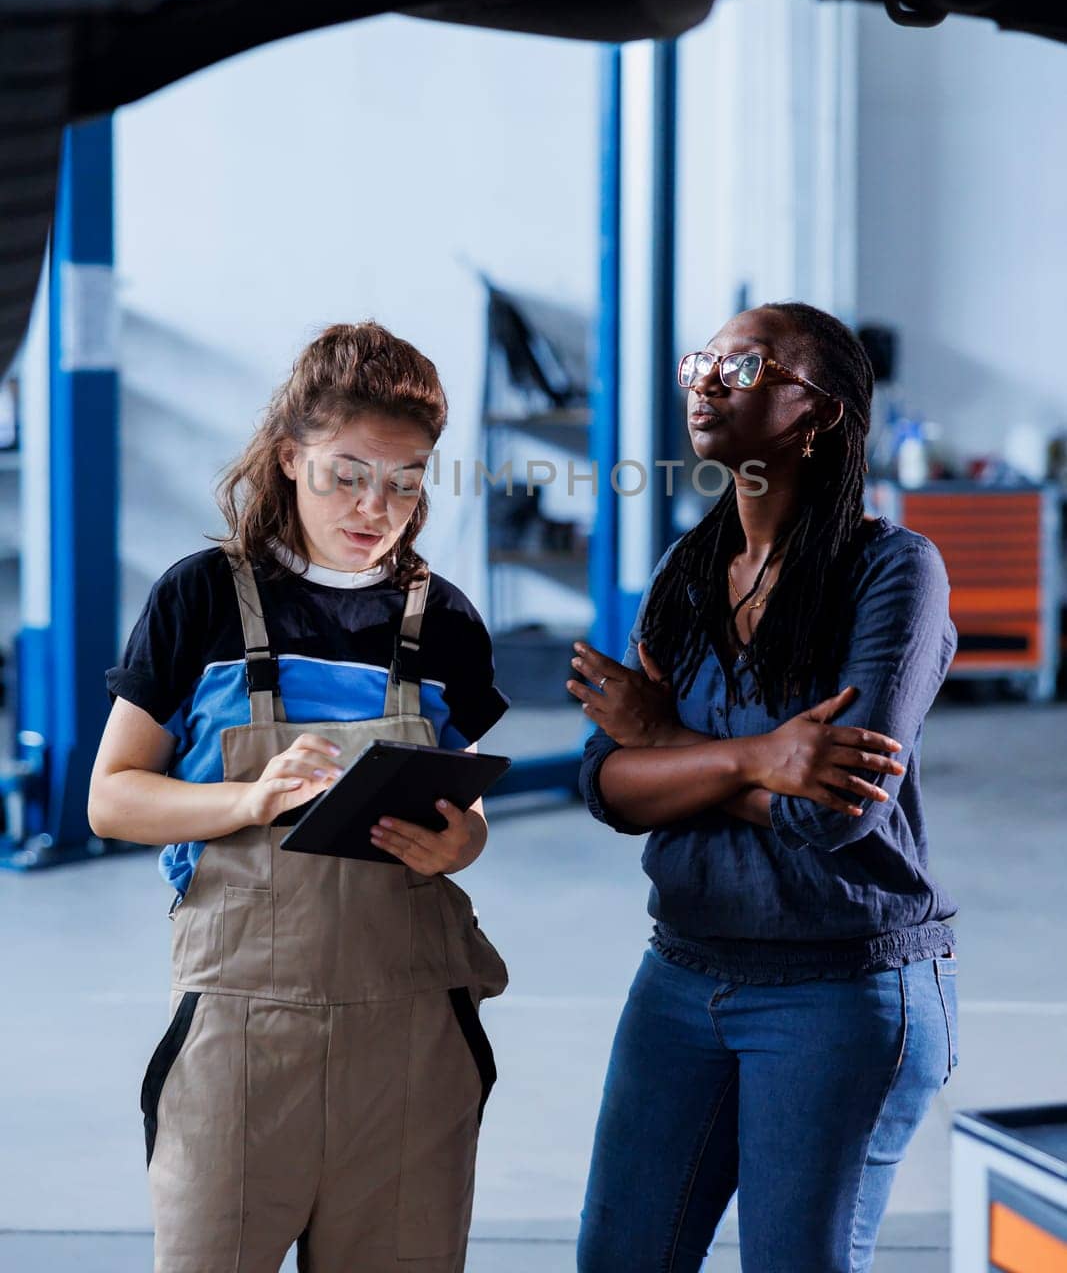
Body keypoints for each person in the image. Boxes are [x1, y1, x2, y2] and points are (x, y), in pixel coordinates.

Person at [88, 321, 509, 1273]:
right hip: (239, 1043)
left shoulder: (442, 622)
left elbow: (470, 806)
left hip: (410, 1043)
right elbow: (111, 799)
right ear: (289, 457)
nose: (376, 506)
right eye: (348, 473)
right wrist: (248, 803)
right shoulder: (199, 600)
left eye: (404, 481)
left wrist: (458, 845)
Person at [567, 301, 959, 1273]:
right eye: (701, 360)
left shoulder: (889, 574)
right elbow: (606, 782)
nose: (702, 379)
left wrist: (667, 743)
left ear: (816, 412)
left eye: (741, 368)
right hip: (678, 977)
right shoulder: (685, 572)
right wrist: (746, 757)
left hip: (838, 986)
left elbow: (831, 810)